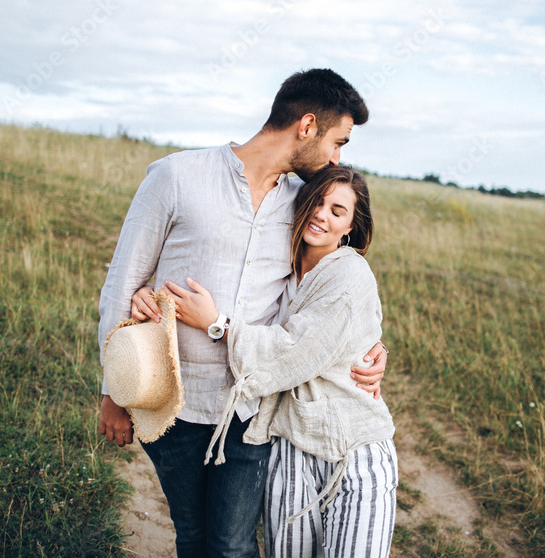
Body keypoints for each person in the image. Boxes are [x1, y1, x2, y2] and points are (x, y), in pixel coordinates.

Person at [96, 68, 389, 558]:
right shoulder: (176, 175)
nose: (338, 158)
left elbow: (331, 293)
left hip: (251, 406)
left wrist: (371, 351)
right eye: (338, 142)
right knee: (191, 536)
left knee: (232, 545)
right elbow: (121, 282)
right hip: (171, 400)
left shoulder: (304, 205)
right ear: (307, 125)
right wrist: (112, 392)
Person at [168, 166, 397, 558]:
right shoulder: (281, 268)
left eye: (337, 211)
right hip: (288, 448)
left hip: (351, 450)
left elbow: (293, 351)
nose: (322, 215)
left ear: (350, 228)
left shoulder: (350, 274)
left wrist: (217, 325)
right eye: (317, 202)